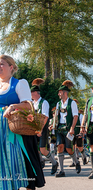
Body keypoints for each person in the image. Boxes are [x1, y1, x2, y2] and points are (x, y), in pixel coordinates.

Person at [1, 55, 45, 190]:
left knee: (23, 167)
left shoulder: (19, 83)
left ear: (11, 67)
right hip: (0, 132)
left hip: (16, 130)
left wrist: (13, 106)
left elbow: (28, 105)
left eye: (1, 64)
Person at [50, 80, 81, 177]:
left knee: (69, 149)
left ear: (64, 93)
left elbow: (75, 116)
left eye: (60, 92)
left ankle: (76, 162)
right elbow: (56, 116)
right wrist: (53, 125)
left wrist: (72, 128)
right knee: (59, 147)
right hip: (60, 129)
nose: (58, 94)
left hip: (68, 129)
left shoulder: (72, 103)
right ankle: (61, 170)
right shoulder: (59, 104)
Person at [31, 78, 58, 174]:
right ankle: (41, 161)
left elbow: (45, 117)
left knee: (43, 149)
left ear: (36, 93)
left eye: (31, 92)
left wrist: (40, 130)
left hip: (42, 128)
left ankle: (54, 163)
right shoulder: (32, 103)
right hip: (33, 128)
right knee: (33, 148)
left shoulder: (44, 102)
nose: (30, 94)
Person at [70, 99, 87, 166]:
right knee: (72, 147)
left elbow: (82, 125)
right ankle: (74, 161)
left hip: (78, 133)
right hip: (71, 133)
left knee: (80, 147)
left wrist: (82, 135)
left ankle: (84, 156)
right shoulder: (69, 115)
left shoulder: (80, 115)